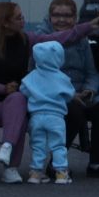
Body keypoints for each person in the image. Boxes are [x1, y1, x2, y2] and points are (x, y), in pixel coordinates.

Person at [0, 2, 99, 184]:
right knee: (18, 110)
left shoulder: (25, 39)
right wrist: (0, 88)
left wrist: (88, 27)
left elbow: (58, 38)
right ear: (5, 23)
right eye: (18, 17)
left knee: (18, 102)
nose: (23, 20)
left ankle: (8, 151)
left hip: (17, 99)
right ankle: (11, 166)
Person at [45, 0, 99, 178]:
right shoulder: (42, 39)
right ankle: (56, 164)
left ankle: (96, 164)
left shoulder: (82, 40)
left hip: (82, 91)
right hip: (54, 94)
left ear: (75, 18)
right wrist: (69, 94)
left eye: (67, 15)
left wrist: (90, 89)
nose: (61, 20)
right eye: (56, 15)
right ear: (49, 17)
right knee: (74, 110)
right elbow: (40, 75)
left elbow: (92, 71)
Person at [22, 40, 75, 185]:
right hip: (56, 117)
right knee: (58, 145)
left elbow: (24, 90)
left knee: (38, 145)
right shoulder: (62, 78)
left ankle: (35, 174)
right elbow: (70, 95)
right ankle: (61, 174)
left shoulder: (32, 76)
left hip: (36, 116)